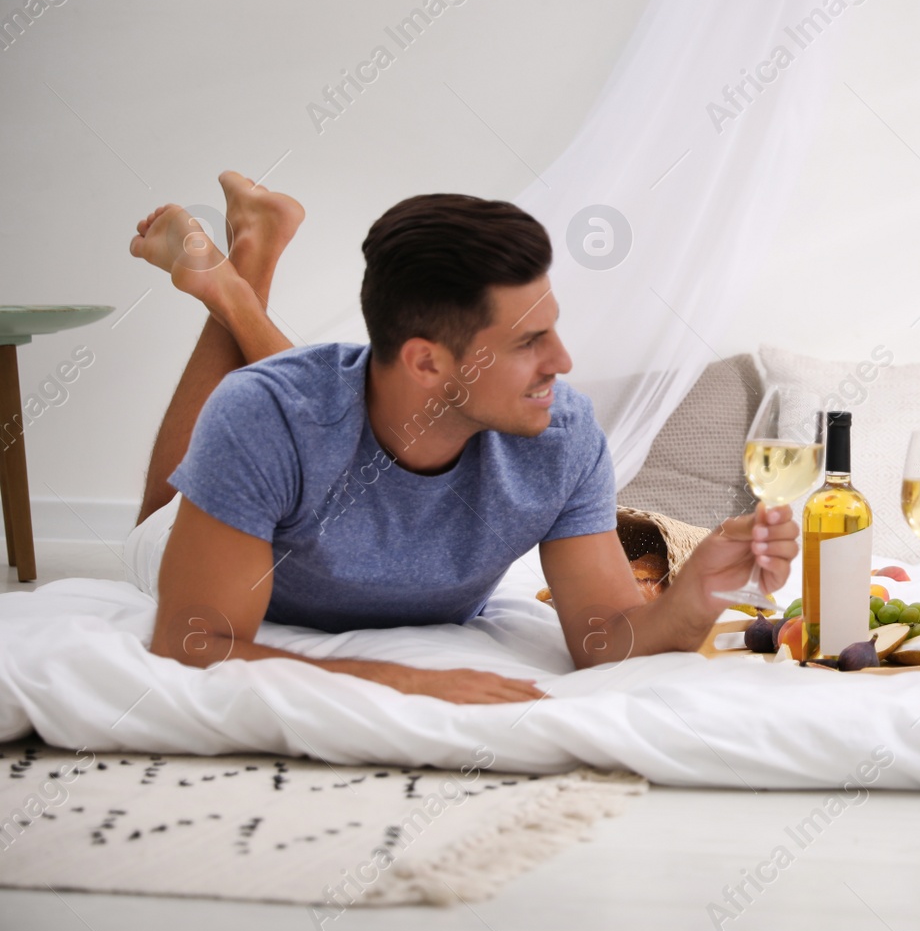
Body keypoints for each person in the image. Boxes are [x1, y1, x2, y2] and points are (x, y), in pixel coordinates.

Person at [124, 172, 797, 703]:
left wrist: (697, 594)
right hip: (205, 537)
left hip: (315, 422)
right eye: (530, 341)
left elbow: (603, 640)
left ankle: (246, 259)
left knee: (299, 406)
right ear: (425, 360)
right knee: (238, 443)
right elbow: (192, 639)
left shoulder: (561, 437)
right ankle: (237, 278)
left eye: (553, 329)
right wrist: (400, 680)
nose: (562, 360)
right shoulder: (263, 415)